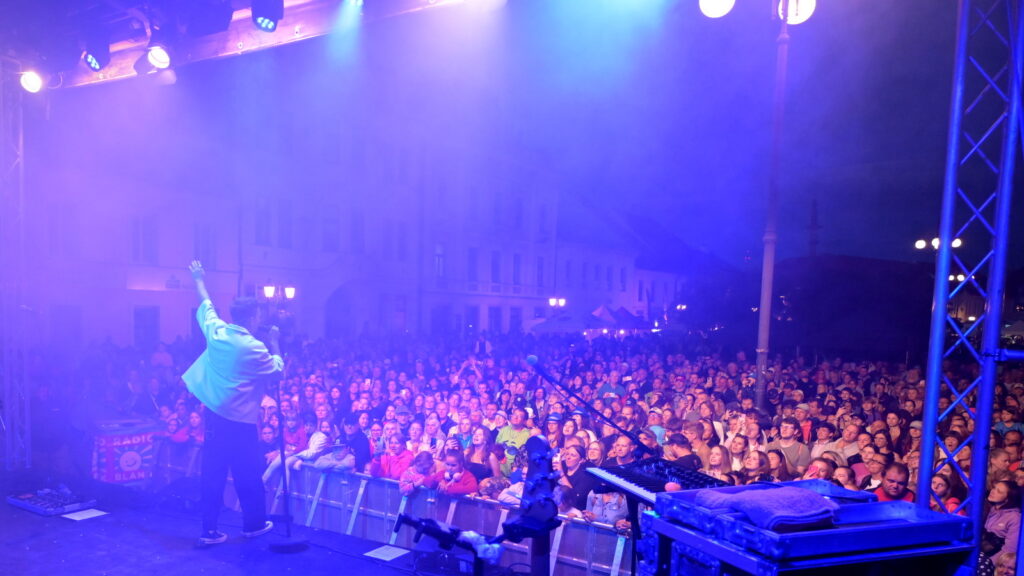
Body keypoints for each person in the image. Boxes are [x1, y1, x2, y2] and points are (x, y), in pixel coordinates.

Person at [182, 260, 280, 545]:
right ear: (252, 317)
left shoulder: (217, 332)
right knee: (247, 473)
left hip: (214, 417)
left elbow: (206, 303)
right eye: (258, 315)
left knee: (212, 474)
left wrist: (198, 277)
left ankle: (209, 530)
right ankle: (254, 524)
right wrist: (275, 343)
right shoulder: (254, 347)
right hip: (240, 423)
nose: (260, 319)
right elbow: (277, 372)